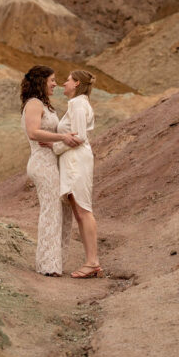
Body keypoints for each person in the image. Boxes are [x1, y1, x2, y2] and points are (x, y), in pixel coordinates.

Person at [21, 65, 79, 275]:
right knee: (51, 211)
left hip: (51, 161)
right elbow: (33, 132)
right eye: (52, 80)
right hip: (42, 163)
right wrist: (61, 137)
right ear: (41, 81)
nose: (55, 84)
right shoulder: (34, 104)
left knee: (62, 212)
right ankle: (47, 265)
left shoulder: (45, 104)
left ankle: (56, 262)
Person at [53, 70, 102, 278]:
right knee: (79, 211)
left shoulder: (78, 104)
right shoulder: (78, 103)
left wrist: (55, 146)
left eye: (68, 80)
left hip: (76, 161)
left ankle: (93, 262)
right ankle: (91, 261)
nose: (64, 83)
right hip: (74, 160)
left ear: (77, 83)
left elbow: (80, 136)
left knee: (83, 210)